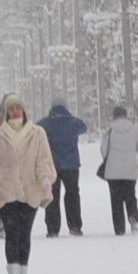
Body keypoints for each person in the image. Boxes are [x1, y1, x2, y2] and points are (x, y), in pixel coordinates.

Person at [0, 93, 58, 274]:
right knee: (12, 232)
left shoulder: (37, 133)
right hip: (6, 189)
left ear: (24, 110)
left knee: (25, 233)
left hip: (30, 189)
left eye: (18, 108)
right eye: (11, 109)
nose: (15, 112)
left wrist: (46, 179)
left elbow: (44, 160)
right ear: (6, 112)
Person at [37, 101, 87, 237]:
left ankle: (53, 228)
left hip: (52, 165)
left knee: (52, 195)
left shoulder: (44, 124)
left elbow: (35, 131)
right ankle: (75, 226)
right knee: (73, 194)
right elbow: (84, 127)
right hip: (71, 165)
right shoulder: (74, 122)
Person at [97, 104, 138, 235]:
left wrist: (109, 159)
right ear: (125, 114)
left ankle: (119, 228)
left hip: (113, 171)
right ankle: (133, 216)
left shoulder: (109, 130)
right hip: (130, 169)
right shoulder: (134, 130)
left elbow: (103, 150)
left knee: (116, 200)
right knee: (130, 196)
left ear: (114, 115)